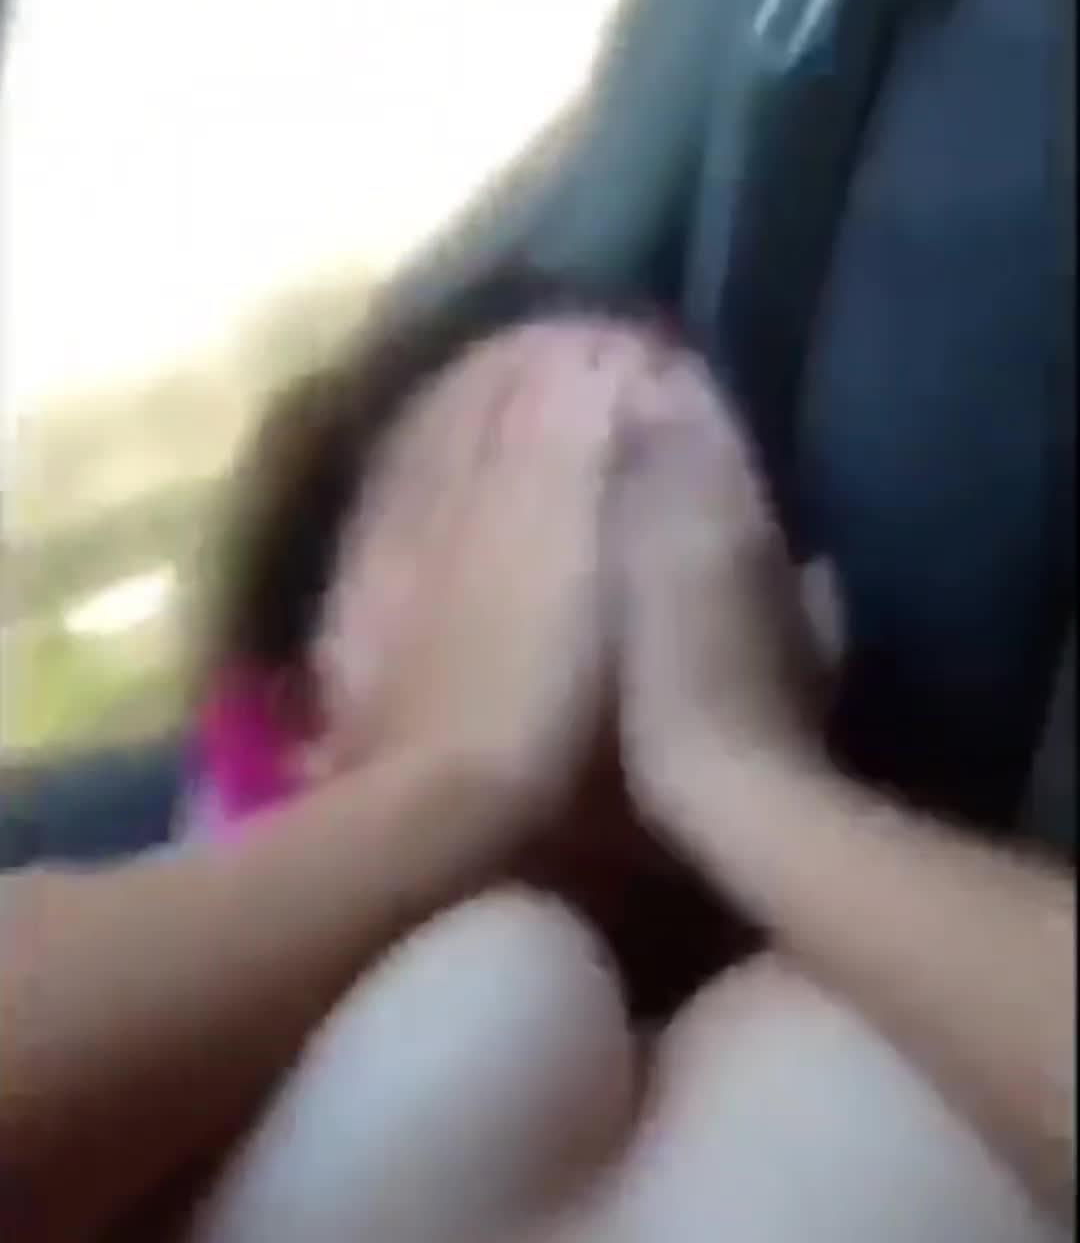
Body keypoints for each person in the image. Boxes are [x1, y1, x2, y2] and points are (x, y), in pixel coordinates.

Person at [1, 312, 1073, 1243]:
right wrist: (457, 774)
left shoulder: (912, 995)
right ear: (304, 712)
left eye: (680, 453)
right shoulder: (182, 1040)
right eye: (501, 467)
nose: (602, 448)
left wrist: (748, 776)